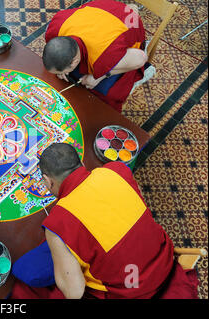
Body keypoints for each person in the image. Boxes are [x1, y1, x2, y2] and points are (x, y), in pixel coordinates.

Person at [10, 143, 199, 299]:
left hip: (133, 291)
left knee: (22, 271)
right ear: (81, 162)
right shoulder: (117, 170)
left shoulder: (58, 222)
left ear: (47, 181)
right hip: (164, 263)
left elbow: (74, 293)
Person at [43, 0, 154, 112]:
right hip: (103, 7)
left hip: (129, 23)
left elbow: (141, 58)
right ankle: (130, 8)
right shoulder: (56, 27)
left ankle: (131, 9)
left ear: (74, 62)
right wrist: (61, 70)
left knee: (107, 93)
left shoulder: (103, 56)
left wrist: (100, 76)